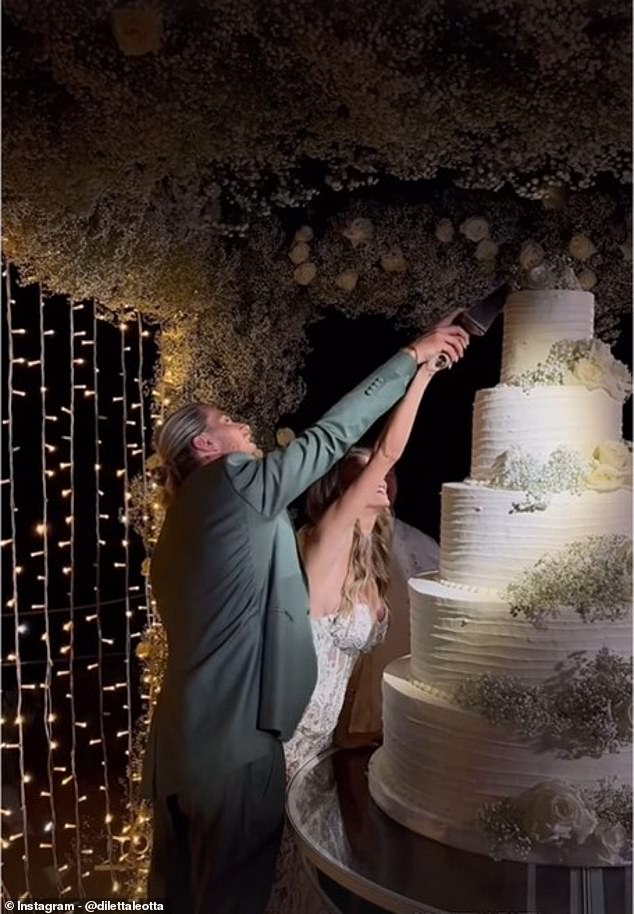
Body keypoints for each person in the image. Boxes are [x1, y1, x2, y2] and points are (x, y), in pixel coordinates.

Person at [141, 319, 469, 914]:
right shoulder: (235, 482)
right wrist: (412, 357)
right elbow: (329, 437)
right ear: (205, 447)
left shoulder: (178, 530)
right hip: (237, 752)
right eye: (228, 423)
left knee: (172, 898)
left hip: (177, 750)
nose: (245, 428)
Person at [265, 333, 468, 914]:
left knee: (306, 876)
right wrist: (423, 373)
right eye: (360, 475)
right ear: (336, 489)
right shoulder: (325, 543)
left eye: (379, 476)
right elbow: (387, 452)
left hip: (320, 744)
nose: (379, 478)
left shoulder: (371, 559)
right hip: (287, 740)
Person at [334, 468, 440, 748]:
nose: (384, 481)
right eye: (372, 472)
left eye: (391, 473)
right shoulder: (325, 544)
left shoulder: (422, 546)